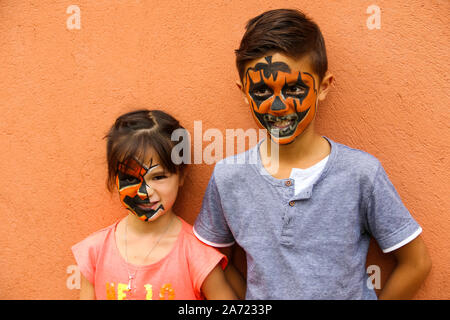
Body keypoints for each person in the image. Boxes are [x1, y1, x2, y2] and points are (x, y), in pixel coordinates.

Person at [193, 8, 432, 299]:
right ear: (244, 92)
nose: (278, 106)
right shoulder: (228, 177)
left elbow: (416, 262)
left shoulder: (361, 174)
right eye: (261, 92)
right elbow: (211, 259)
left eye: (294, 88)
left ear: (323, 87)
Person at [72, 109, 237, 300]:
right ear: (114, 178)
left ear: (181, 175)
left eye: (158, 177)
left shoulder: (198, 255)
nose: (146, 191)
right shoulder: (95, 252)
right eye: (130, 178)